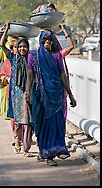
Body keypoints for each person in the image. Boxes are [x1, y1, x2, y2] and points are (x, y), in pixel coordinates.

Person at [25, 29, 77, 166]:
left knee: (55, 124)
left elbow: (62, 76)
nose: (47, 42)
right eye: (45, 40)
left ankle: (50, 155)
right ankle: (43, 151)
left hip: (56, 95)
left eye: (49, 40)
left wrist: (70, 95)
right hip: (40, 96)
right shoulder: (33, 56)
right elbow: (30, 75)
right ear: (41, 41)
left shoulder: (57, 56)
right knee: (41, 125)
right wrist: (28, 92)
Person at [0, 22, 33, 157]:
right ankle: (17, 141)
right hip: (15, 93)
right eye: (20, 46)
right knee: (18, 121)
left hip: (27, 92)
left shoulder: (31, 59)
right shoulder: (13, 58)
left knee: (28, 121)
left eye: (25, 46)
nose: (22, 49)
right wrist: (7, 30)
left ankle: (26, 148)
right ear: (16, 48)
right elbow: (2, 45)